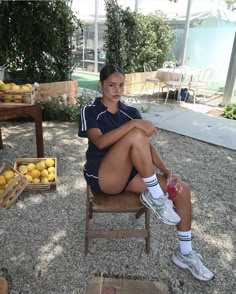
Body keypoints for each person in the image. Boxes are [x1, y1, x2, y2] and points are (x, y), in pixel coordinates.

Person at [79, 64, 214, 281]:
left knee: (182, 190)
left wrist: (167, 171)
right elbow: (100, 142)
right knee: (136, 134)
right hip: (105, 177)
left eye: (121, 85)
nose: (117, 90)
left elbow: (147, 148)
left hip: (131, 175)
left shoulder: (130, 112)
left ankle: (185, 253)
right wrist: (134, 125)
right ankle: (156, 196)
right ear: (101, 85)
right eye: (111, 85)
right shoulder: (90, 110)